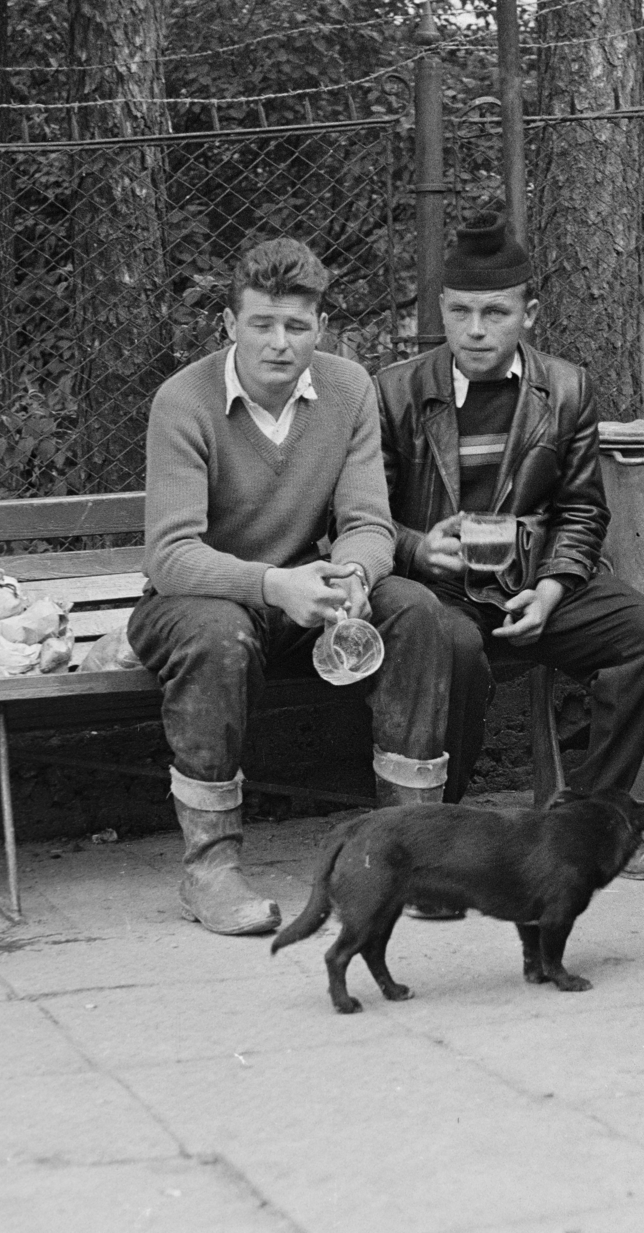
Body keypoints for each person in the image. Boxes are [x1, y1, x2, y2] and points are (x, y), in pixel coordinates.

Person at [128, 239, 454, 936]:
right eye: (262, 325)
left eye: (297, 327)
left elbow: (369, 523)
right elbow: (171, 558)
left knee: (419, 612)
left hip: (305, 594)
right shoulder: (182, 401)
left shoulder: (347, 388)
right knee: (219, 633)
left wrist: (357, 575)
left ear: (322, 328)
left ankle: (409, 853)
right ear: (229, 325)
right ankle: (210, 869)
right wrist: (275, 584)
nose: (280, 343)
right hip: (196, 606)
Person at [374, 212, 644, 879]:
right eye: (460, 312)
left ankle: (590, 820)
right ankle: (435, 830)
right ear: (442, 310)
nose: (476, 329)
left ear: (529, 313)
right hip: (437, 593)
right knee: (451, 646)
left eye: (495, 311)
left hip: (527, 588)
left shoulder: (565, 389)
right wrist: (418, 550)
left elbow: (580, 511)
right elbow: (362, 516)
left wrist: (550, 590)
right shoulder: (396, 392)